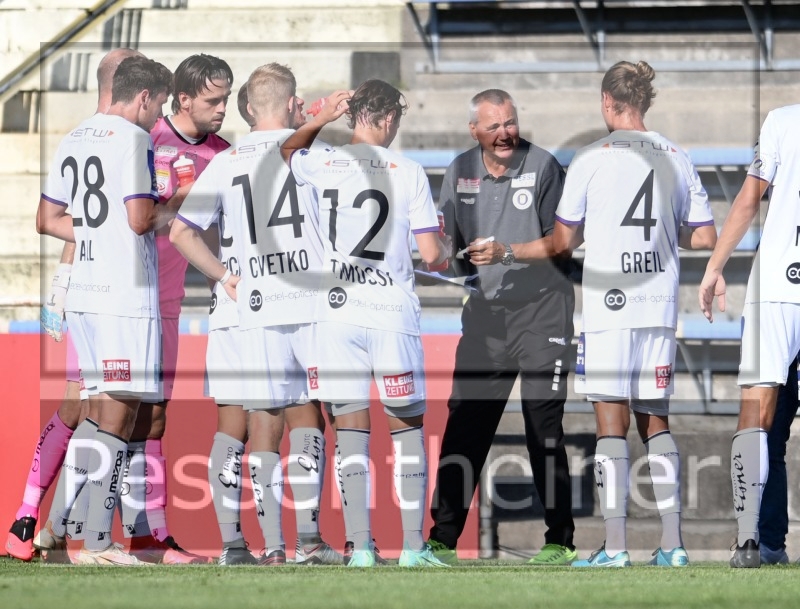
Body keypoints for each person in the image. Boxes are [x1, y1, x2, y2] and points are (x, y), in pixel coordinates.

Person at [171, 63, 339, 566]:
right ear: (292, 105)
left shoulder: (222, 163)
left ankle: (240, 546)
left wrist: (225, 276)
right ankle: (305, 540)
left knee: (243, 422)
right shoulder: (314, 153)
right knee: (306, 414)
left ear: (247, 108)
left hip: (240, 306)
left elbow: (182, 232)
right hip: (303, 302)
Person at [280, 80, 452, 568]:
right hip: (391, 314)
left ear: (352, 114)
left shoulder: (322, 160)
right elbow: (432, 254)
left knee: (351, 429)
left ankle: (361, 547)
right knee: (406, 428)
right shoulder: (409, 171)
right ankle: (414, 548)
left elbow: (284, 152)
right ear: (387, 117)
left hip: (336, 313)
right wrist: (448, 251)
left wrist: (318, 119)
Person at [554, 60, 717, 568]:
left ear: (608, 102)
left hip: (608, 308)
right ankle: (673, 544)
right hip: (658, 305)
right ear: (644, 103)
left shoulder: (590, 157)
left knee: (610, 424)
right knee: (656, 421)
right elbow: (706, 236)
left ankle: (617, 547)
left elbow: (564, 238)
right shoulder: (676, 155)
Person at [426, 89, 577, 566]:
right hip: (486, 316)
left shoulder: (544, 165)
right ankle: (441, 542)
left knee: (543, 427)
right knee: (464, 426)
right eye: (493, 126)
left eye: (509, 122)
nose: (505, 133)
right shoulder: (459, 170)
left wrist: (507, 251)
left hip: (542, 310)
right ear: (475, 130)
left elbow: (563, 242)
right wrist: (448, 258)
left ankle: (560, 540)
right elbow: (447, 245)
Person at [5, 47, 142, 563]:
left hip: (87, 290)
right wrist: (63, 285)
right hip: (103, 297)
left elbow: (70, 220)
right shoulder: (121, 137)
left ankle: (37, 524)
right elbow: (88, 223)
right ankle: (59, 527)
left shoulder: (84, 136)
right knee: (92, 409)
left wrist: (60, 287)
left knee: (84, 407)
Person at [35, 54, 173, 565]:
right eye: (158, 105)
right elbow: (141, 219)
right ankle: (97, 541)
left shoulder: (74, 136)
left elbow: (47, 219)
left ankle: (53, 528)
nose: (158, 117)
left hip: (86, 296)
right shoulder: (135, 140)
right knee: (120, 415)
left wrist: (96, 232)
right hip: (122, 296)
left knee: (96, 414)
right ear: (143, 97)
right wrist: (181, 205)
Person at [699, 100, 800, 568]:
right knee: (769, 429)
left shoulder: (783, 120)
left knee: (757, 415)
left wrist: (714, 267)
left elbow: (747, 198)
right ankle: (770, 541)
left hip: (780, 285)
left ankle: (747, 542)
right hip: (779, 286)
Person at [759, 358, 799, 565]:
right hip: (781, 357)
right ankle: (770, 543)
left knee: (770, 448)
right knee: (768, 446)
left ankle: (770, 542)